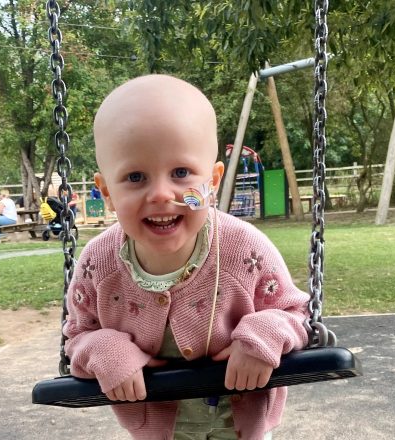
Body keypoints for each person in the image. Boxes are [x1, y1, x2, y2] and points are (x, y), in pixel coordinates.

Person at [63, 75, 309, 439]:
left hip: (243, 426)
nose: (162, 194)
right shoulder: (98, 264)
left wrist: (262, 337)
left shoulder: (243, 249)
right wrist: (105, 351)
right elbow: (78, 336)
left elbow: (297, 313)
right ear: (107, 192)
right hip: (159, 429)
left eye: (180, 173)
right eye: (135, 177)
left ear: (212, 181)